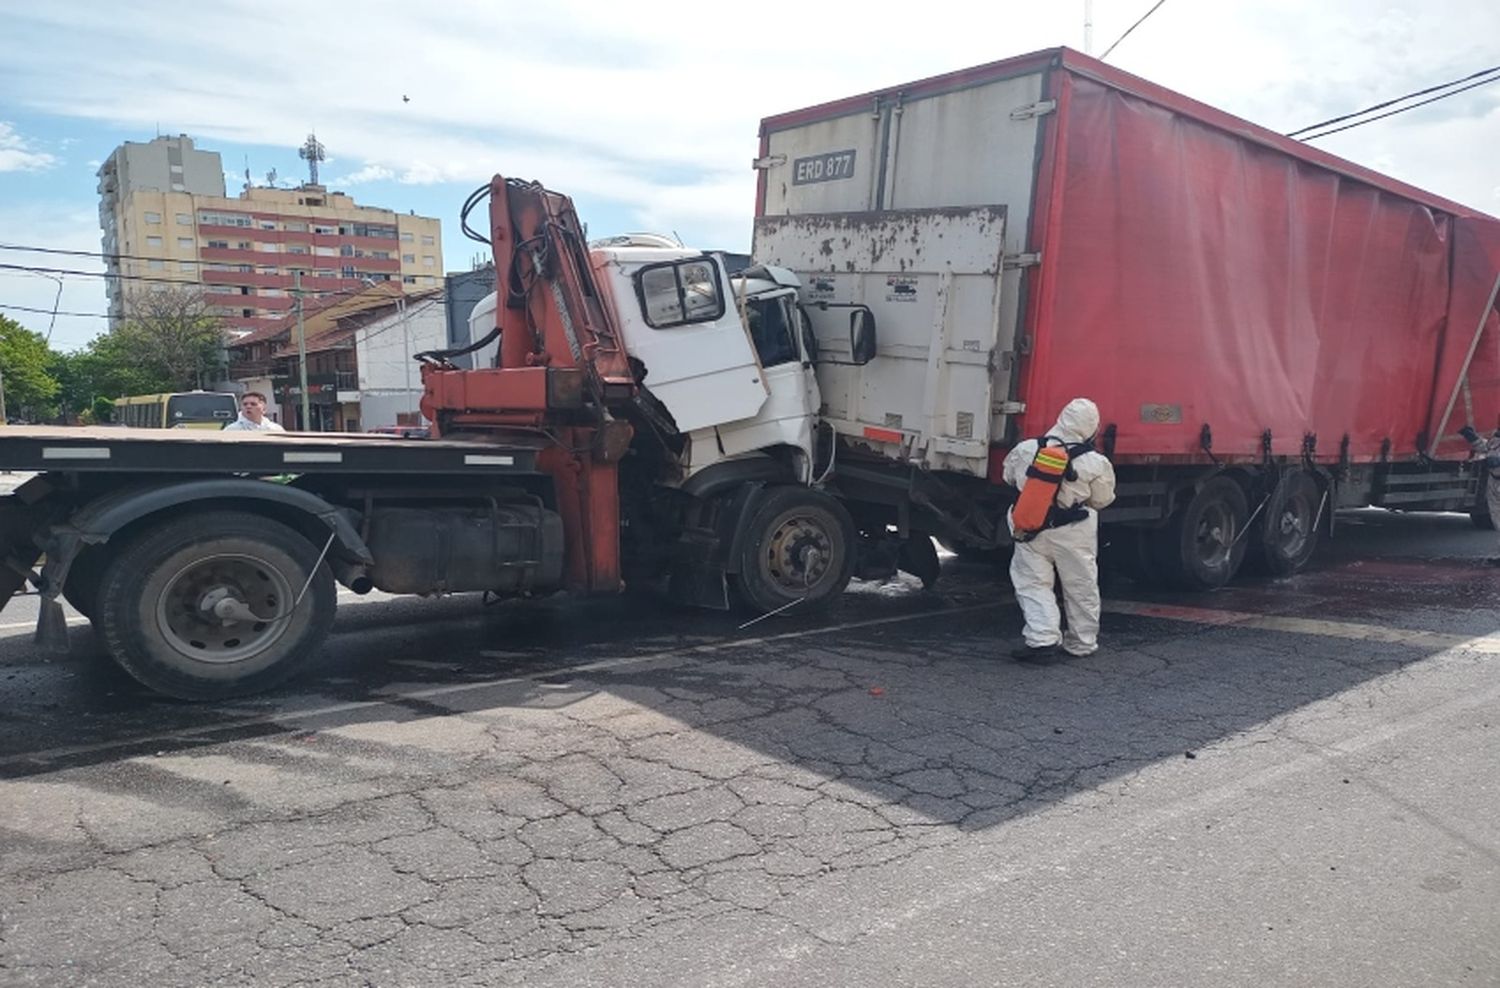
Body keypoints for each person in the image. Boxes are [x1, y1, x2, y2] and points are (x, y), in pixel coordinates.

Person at [1002, 397, 1116, 662]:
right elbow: (1102, 500)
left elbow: (1008, 476)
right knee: (1080, 586)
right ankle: (1081, 643)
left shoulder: (1027, 448)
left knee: (1032, 583)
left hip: (1031, 527)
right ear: (1091, 428)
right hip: (1074, 531)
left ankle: (1042, 639)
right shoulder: (1095, 462)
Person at [1460, 424, 1500, 561]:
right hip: (1494, 482)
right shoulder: (1496, 440)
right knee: (1497, 519)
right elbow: (1486, 448)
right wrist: (1472, 437)